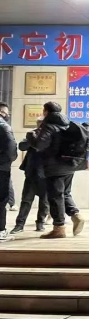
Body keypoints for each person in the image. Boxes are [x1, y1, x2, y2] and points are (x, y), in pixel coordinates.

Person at [27, 102, 85, 239]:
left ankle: (59, 228)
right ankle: (76, 215)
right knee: (65, 193)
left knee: (55, 196)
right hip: (69, 165)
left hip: (54, 166)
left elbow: (40, 144)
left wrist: (31, 136)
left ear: (46, 111)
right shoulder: (66, 123)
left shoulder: (49, 125)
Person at [10, 118, 49, 234]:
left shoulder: (51, 135)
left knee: (44, 201)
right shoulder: (32, 134)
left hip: (46, 173)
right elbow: (22, 146)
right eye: (39, 124)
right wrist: (33, 139)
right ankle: (19, 224)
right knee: (26, 200)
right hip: (32, 172)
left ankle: (40, 223)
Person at [0, 102, 17, 242]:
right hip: (1, 169)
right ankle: (0, 230)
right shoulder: (4, 127)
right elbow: (11, 151)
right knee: (1, 200)